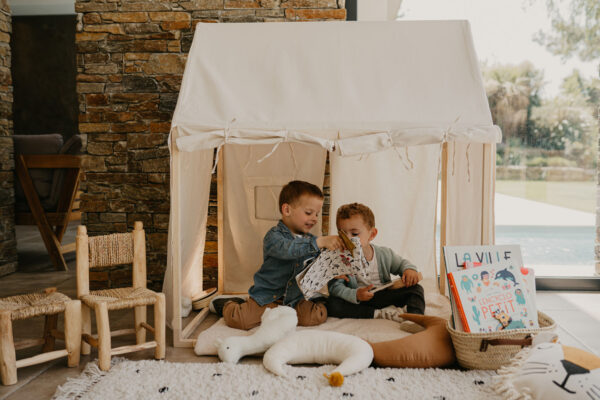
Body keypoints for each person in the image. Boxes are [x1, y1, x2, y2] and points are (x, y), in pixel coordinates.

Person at [211, 180, 345, 330]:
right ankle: (229, 304)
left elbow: (317, 265)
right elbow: (288, 249)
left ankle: (318, 301)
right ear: (287, 210)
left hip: (295, 300)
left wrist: (332, 272)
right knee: (240, 321)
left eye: (317, 214)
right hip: (268, 298)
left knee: (316, 317)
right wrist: (320, 242)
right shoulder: (274, 237)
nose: (314, 218)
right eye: (309, 213)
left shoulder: (313, 240)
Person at [326, 203, 425, 323]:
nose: (348, 239)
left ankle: (415, 318)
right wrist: (355, 294)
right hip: (358, 299)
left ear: (371, 234)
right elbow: (335, 288)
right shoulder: (340, 259)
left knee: (416, 289)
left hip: (382, 295)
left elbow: (401, 264)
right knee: (332, 304)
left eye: (355, 234)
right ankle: (378, 314)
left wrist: (409, 269)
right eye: (342, 234)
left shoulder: (384, 254)